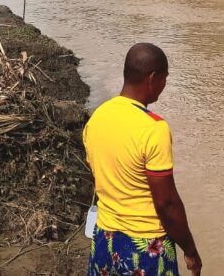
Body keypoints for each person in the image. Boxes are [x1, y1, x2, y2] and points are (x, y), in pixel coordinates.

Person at [83, 43, 201, 276]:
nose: (164, 86)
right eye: (164, 79)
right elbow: (166, 204)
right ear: (153, 78)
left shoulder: (98, 117)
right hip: (145, 248)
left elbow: (100, 177)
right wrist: (190, 250)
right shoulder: (153, 128)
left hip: (104, 239)